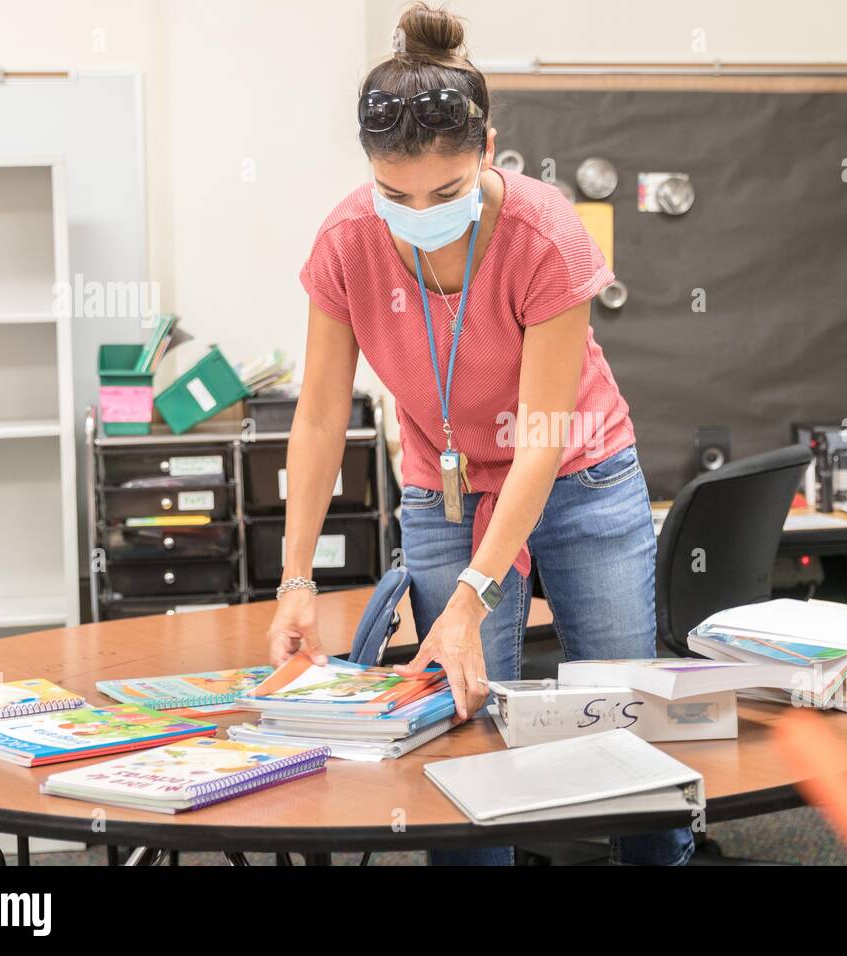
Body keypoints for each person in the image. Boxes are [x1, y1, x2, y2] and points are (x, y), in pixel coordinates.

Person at [266, 1, 694, 866]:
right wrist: (295, 579)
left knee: (625, 727)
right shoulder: (347, 242)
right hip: (447, 489)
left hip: (578, 478)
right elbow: (318, 418)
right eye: (396, 195)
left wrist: (469, 602)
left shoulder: (546, 235)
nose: (418, 212)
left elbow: (542, 439)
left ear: (488, 150)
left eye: (446, 192)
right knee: (457, 730)